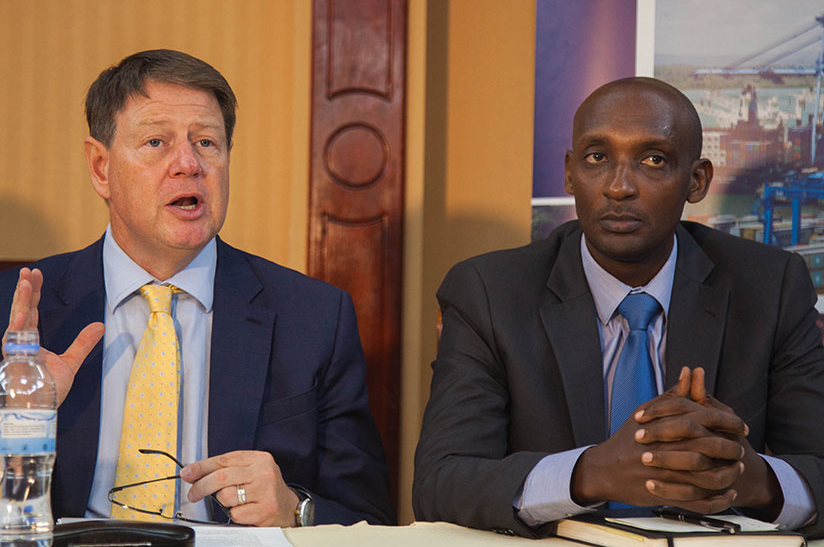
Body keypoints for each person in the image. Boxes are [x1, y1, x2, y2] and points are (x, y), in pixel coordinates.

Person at [412, 77, 824, 539]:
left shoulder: (769, 287)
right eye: (597, 157)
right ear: (570, 173)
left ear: (697, 180)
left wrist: (750, 478)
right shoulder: (490, 293)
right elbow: (440, 481)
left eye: (653, 160)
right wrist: (592, 473)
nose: (619, 186)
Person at [0, 49, 394, 527]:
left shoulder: (312, 318)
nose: (188, 164)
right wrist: (19, 424)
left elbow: (368, 518)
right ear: (101, 168)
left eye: (207, 142)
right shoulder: (17, 313)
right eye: (156, 142)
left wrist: (296, 509)